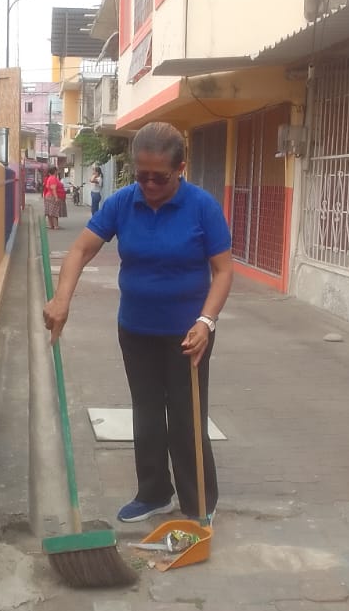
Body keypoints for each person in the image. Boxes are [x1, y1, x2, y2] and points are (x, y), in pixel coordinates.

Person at [43, 121, 233, 523]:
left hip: (189, 333)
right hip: (136, 329)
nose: (148, 185)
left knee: (186, 417)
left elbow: (223, 271)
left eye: (159, 177)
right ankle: (153, 493)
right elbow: (80, 250)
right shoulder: (122, 202)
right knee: (146, 414)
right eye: (142, 175)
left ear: (180, 169)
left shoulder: (202, 207)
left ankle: (199, 502)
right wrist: (62, 300)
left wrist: (206, 321)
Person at [43, 165, 62, 231]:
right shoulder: (53, 178)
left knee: (49, 211)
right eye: (56, 171)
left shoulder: (49, 178)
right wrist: (56, 197)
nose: (57, 172)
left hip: (48, 196)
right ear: (54, 171)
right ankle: (55, 226)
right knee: (54, 212)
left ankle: (51, 225)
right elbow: (53, 189)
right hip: (52, 196)